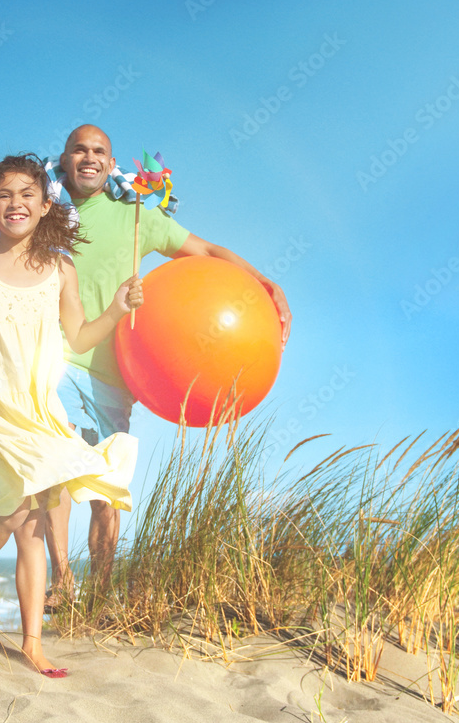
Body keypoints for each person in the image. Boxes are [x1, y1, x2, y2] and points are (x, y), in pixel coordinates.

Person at [43, 124, 293, 608]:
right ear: (65, 156)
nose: (89, 157)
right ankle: (60, 580)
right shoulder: (48, 211)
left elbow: (203, 252)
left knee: (106, 488)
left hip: (116, 371)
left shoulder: (138, 212)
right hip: (57, 356)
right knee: (53, 466)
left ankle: (99, 591)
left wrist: (264, 281)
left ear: (111, 162)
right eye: (79, 149)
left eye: (99, 151)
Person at [0, 154, 143, 676]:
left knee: (32, 523)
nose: (16, 203)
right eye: (5, 195)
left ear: (44, 202)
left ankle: (32, 641)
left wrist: (118, 308)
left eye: (27, 194)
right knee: (13, 512)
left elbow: (78, 337)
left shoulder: (60, 268)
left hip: (41, 412)